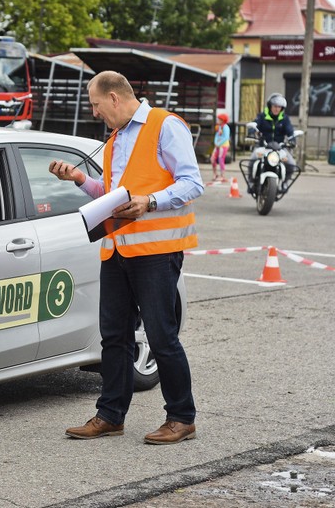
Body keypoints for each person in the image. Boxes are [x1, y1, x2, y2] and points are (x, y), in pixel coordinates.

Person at [48, 71, 203, 445]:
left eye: (97, 106)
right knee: (113, 337)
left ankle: (182, 418)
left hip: (155, 251)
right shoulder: (116, 139)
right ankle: (110, 415)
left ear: (115, 98)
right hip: (116, 248)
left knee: (162, 336)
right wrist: (81, 180)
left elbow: (192, 182)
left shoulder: (166, 126)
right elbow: (113, 194)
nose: (96, 113)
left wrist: (151, 202)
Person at [249, 93, 296, 189]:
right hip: (263, 146)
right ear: (270, 106)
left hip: (279, 148)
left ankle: (284, 182)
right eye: (275, 106)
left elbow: (290, 130)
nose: (277, 109)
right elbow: (254, 125)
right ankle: (251, 181)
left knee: (291, 164)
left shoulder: (285, 119)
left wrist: (292, 140)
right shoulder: (262, 116)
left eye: (279, 107)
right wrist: (252, 132)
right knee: (253, 160)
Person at [211, 112, 230, 182]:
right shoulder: (219, 127)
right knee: (212, 158)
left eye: (219, 119)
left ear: (222, 120)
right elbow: (217, 135)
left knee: (221, 159)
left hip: (224, 145)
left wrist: (219, 143)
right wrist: (216, 142)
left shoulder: (226, 127)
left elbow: (226, 137)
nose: (217, 120)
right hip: (218, 145)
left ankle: (222, 175)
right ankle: (215, 174)